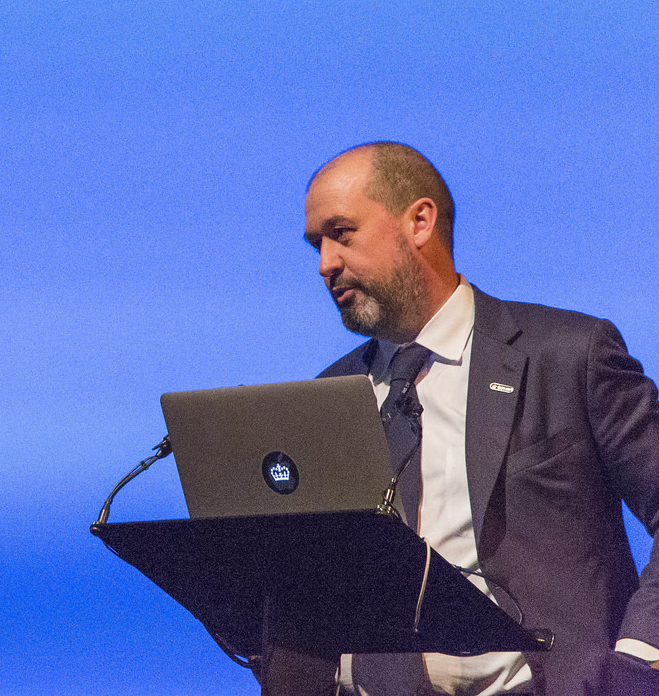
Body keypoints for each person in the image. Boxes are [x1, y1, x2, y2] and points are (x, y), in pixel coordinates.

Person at [264, 142, 659, 696]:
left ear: (420, 222)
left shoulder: (569, 355)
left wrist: (639, 661)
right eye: (316, 245)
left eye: (341, 233)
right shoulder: (329, 396)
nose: (325, 263)